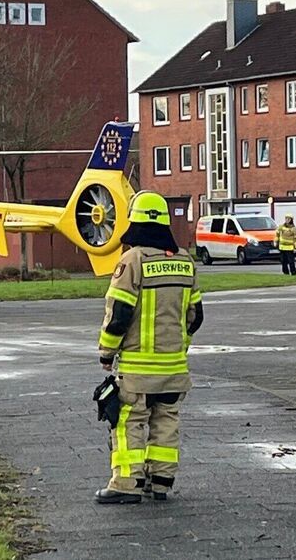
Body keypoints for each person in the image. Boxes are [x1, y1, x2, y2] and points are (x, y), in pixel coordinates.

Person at [95, 191, 204, 504]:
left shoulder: (133, 261)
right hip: (174, 368)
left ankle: (126, 485)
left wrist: (107, 352)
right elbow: (196, 317)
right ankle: (161, 482)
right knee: (166, 422)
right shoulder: (185, 261)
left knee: (130, 423)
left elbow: (119, 315)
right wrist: (178, 345)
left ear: (135, 222)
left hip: (139, 369)